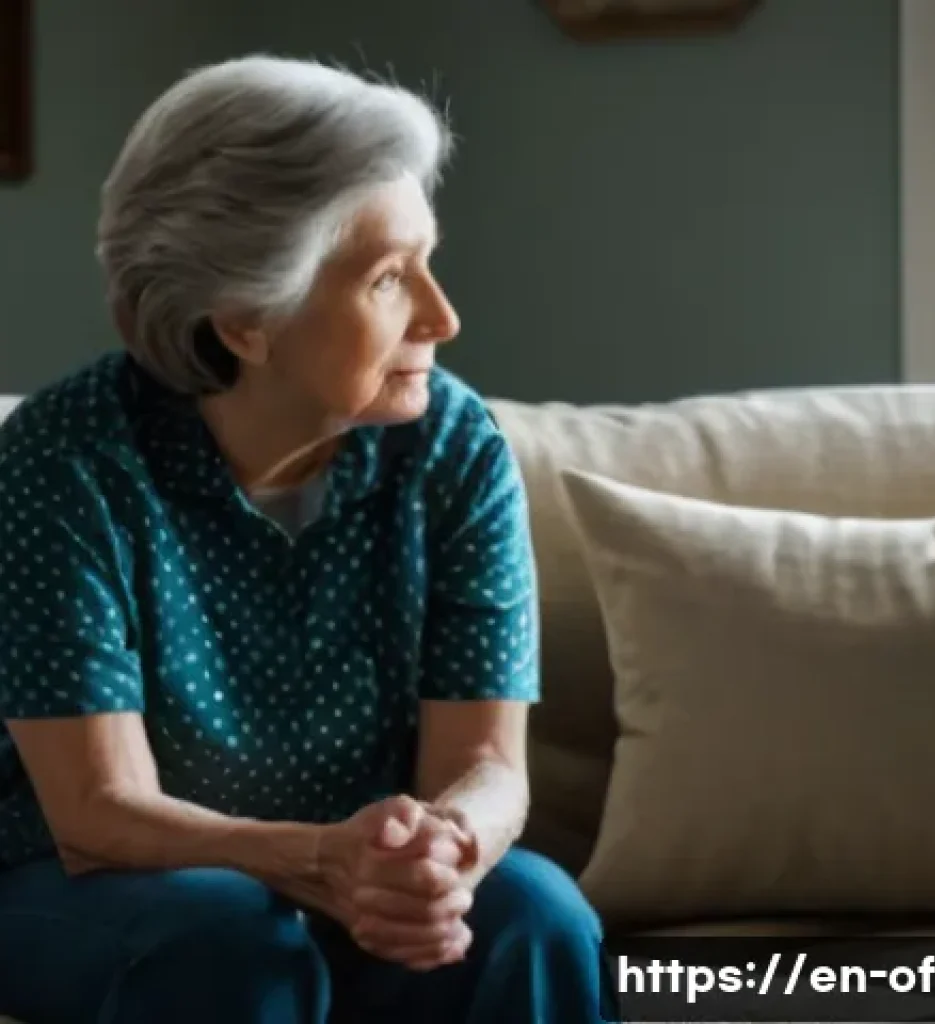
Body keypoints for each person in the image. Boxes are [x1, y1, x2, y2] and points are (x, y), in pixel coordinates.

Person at [0, 55, 616, 1024]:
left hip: (363, 868)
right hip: (97, 888)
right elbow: (96, 816)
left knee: (533, 911)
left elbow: (489, 768)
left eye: (429, 260)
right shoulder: (63, 459)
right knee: (227, 937)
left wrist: (441, 851)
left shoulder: (453, 444)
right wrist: (318, 857)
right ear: (247, 316)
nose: (443, 315)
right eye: (386, 277)